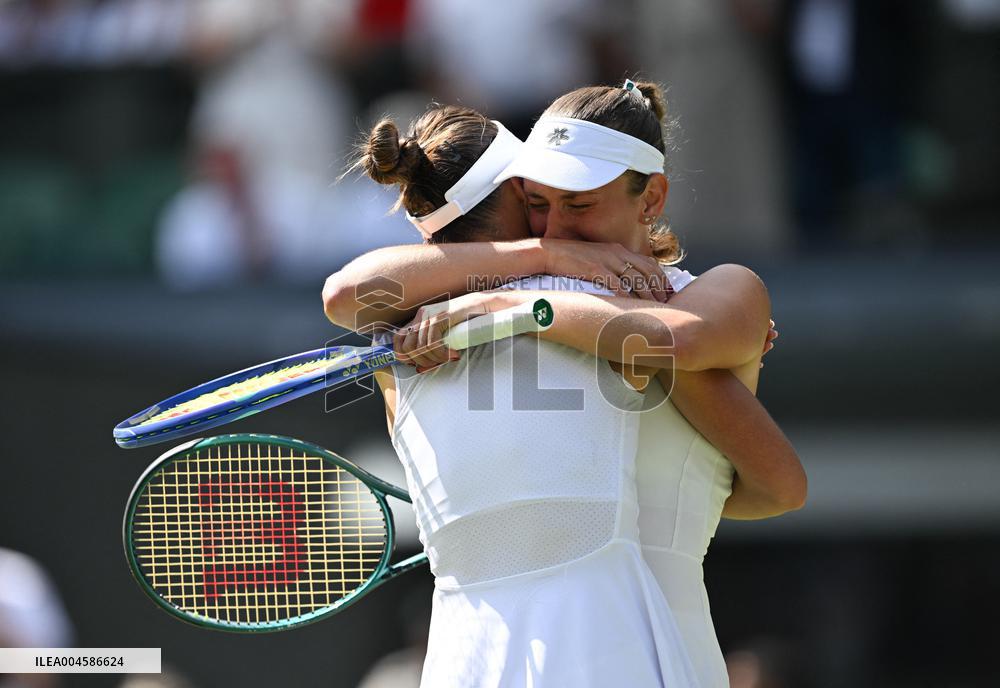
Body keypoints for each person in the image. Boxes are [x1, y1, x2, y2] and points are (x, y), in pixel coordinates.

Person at [327, 85, 806, 686]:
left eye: (577, 204)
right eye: (538, 205)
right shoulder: (447, 318)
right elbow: (346, 294)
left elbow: (780, 483)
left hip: (648, 646)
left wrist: (520, 299)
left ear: (652, 198)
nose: (554, 227)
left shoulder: (713, 294)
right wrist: (539, 264)